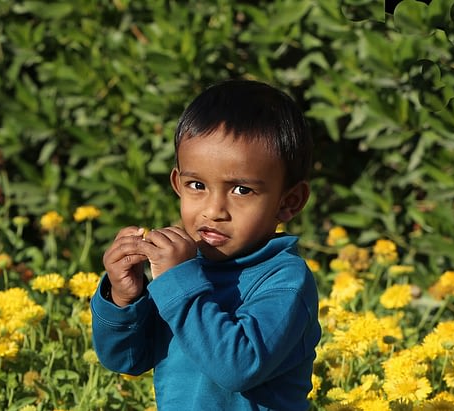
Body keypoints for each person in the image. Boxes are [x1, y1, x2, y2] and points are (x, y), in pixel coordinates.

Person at [91, 79, 321, 410]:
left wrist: (178, 282)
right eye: (197, 185)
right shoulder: (185, 269)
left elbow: (239, 366)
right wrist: (125, 297)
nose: (213, 210)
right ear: (177, 184)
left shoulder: (285, 281)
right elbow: (127, 359)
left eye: (241, 190)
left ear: (289, 201)